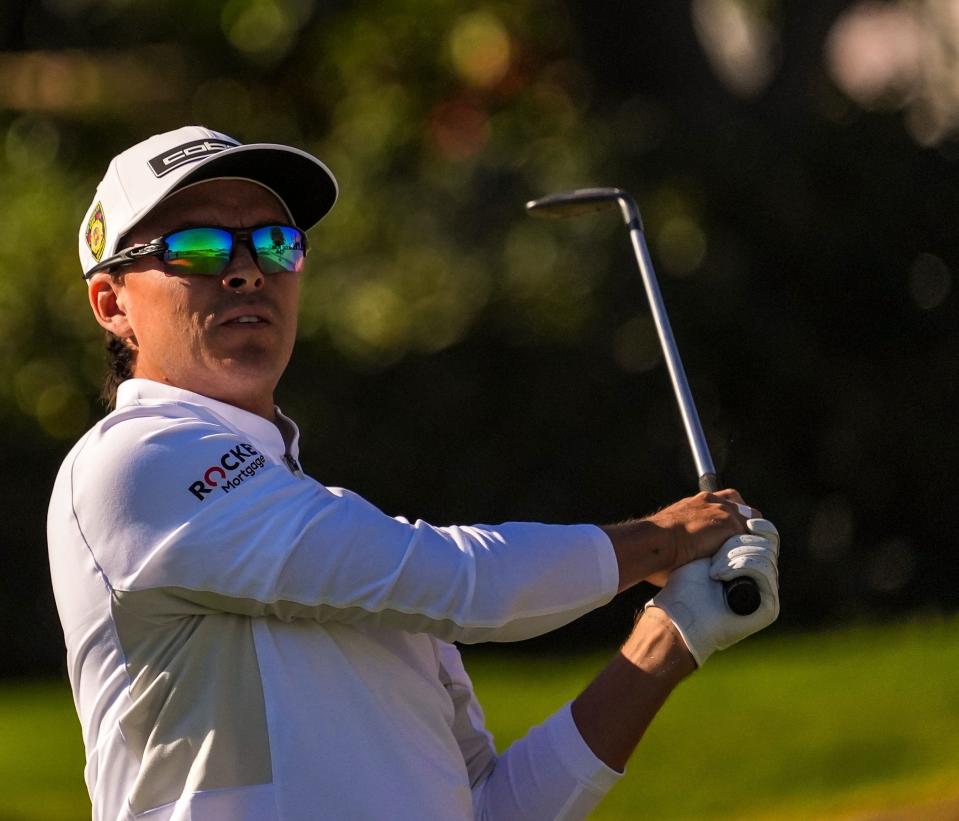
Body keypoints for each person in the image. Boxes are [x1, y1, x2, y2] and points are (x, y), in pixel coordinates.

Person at [48, 125, 781, 821]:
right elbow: (464, 583)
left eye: (274, 243)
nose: (246, 270)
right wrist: (661, 540)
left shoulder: (337, 539)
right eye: (198, 246)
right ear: (112, 303)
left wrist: (670, 637)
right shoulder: (134, 460)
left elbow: (489, 806)